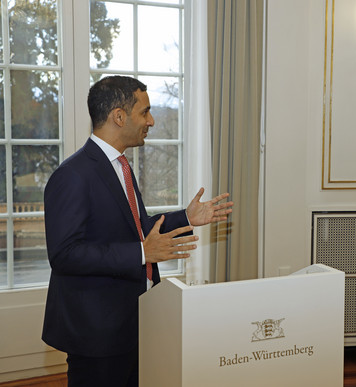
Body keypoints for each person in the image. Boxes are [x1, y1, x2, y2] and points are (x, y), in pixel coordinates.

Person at [42, 75, 234, 387]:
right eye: (144, 112)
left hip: (133, 320)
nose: (152, 120)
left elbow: (136, 228)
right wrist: (142, 252)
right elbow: (65, 254)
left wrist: (186, 217)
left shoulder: (121, 166)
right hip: (97, 333)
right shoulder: (72, 175)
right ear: (119, 116)